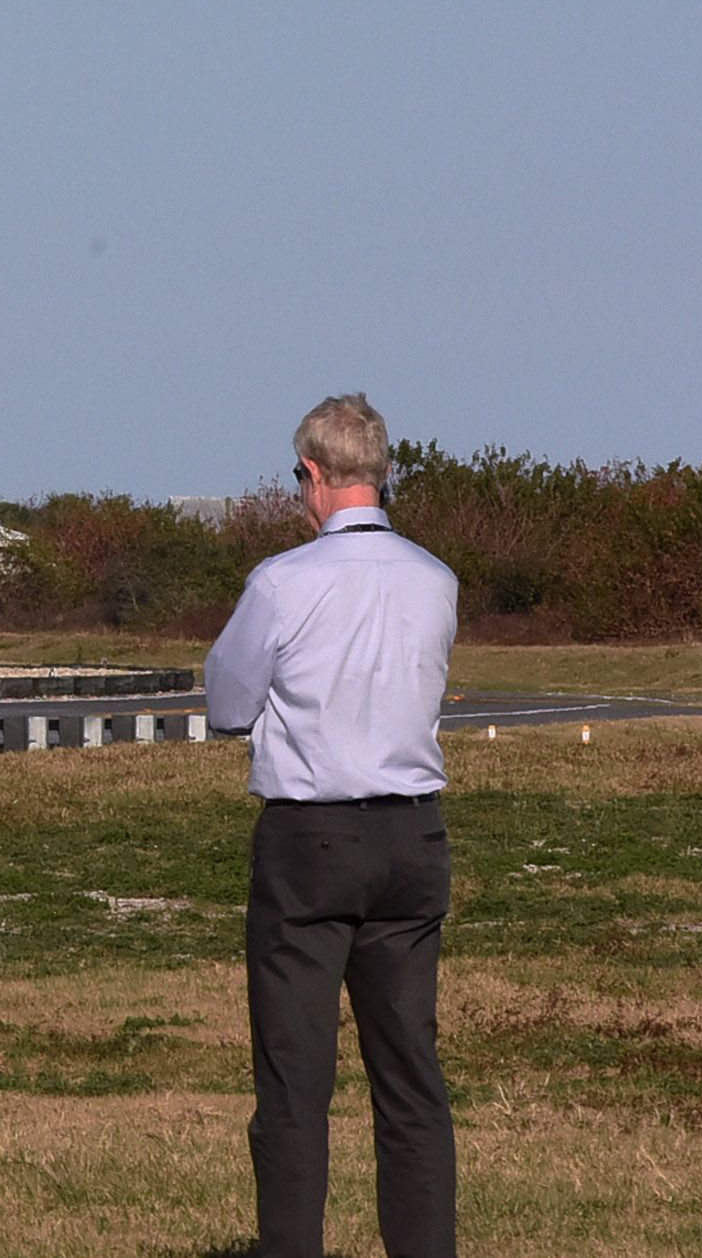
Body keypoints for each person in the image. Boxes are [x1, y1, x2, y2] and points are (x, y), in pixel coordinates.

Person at [204, 394, 459, 1258]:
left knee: (294, 1082)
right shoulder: (435, 578)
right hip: (413, 835)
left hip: (311, 836)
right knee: (411, 1080)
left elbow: (228, 704)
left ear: (313, 474)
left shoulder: (284, 582)